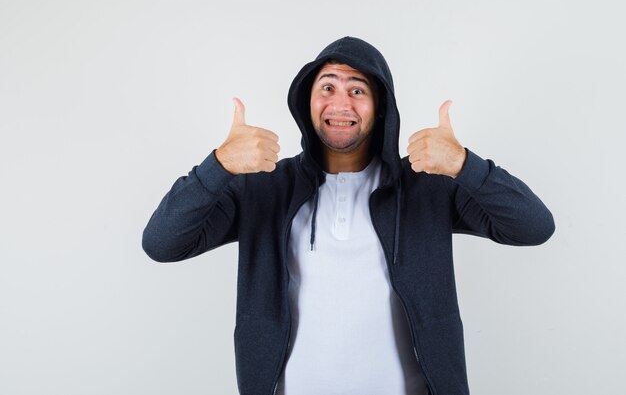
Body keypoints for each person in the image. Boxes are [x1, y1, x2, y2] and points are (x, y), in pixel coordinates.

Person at [142, 36, 555, 395]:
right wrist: (220, 166)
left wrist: (466, 165)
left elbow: (534, 226)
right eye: (327, 87)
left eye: (357, 90)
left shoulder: (426, 186)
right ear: (308, 101)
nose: (341, 103)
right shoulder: (263, 187)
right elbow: (162, 243)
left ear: (380, 108)